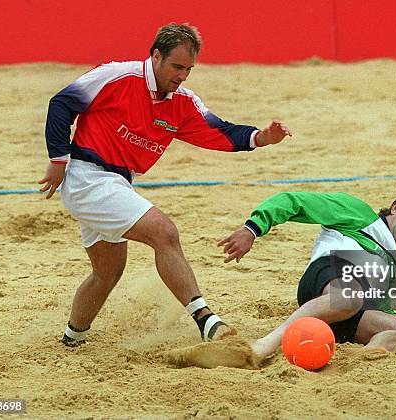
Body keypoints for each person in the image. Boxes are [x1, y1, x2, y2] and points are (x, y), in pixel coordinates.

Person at [37, 23, 292, 346]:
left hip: (117, 184)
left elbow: (220, 131)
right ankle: (206, 320)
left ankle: (72, 338)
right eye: (177, 66)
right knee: (164, 232)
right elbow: (61, 104)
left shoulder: (182, 102)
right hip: (88, 178)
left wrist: (262, 137)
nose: (183, 75)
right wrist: (58, 160)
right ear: (156, 55)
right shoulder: (118, 75)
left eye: (189, 69)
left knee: (108, 272)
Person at [218, 187, 396, 362]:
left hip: (353, 314)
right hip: (327, 280)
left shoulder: (391, 264)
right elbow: (293, 201)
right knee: (349, 296)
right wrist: (252, 229)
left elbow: (382, 308)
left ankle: (356, 362)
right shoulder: (359, 213)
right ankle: (264, 346)